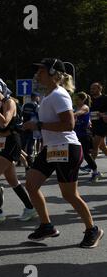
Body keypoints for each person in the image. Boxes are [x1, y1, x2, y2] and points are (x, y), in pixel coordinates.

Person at [24, 58, 104, 248]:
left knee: (69, 194)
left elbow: (69, 124)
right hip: (51, 148)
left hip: (67, 147)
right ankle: (46, 226)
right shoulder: (47, 96)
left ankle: (92, 229)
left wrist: (38, 125)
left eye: (41, 71)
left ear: (54, 74)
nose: (37, 75)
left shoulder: (59, 95)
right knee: (31, 184)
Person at [0, 79, 37, 224]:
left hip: (11, 142)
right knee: (12, 180)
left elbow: (4, 123)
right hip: (0, 143)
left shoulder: (9, 102)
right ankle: (30, 208)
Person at [73, 92, 101, 182]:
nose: (75, 101)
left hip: (85, 135)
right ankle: (73, 172)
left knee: (86, 155)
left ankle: (96, 172)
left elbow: (78, 113)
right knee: (75, 154)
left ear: (82, 100)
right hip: (76, 134)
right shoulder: (75, 108)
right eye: (75, 99)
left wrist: (71, 115)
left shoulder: (85, 107)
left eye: (77, 99)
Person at [21, 92, 40, 165]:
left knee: (23, 143)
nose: (39, 98)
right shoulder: (37, 106)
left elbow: (22, 115)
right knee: (31, 144)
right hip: (32, 127)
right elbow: (38, 117)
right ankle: (30, 159)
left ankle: (21, 160)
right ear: (35, 97)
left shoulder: (24, 105)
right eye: (38, 97)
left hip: (25, 126)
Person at [90, 82, 107, 160]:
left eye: (94, 88)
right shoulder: (90, 99)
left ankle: (91, 166)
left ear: (99, 89)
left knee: (95, 145)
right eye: (91, 89)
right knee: (102, 147)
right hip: (94, 125)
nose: (92, 90)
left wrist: (103, 114)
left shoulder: (105, 98)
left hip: (103, 125)